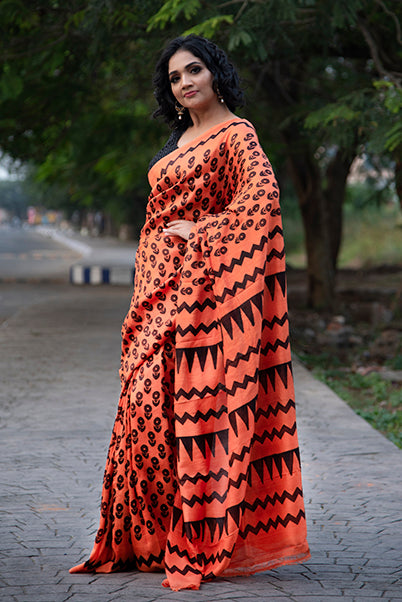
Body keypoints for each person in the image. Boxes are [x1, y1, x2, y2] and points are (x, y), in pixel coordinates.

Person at [70, 34, 310, 591]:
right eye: (176, 78)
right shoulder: (179, 141)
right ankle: (152, 538)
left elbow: (260, 203)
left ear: (216, 73)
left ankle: (194, 533)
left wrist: (203, 230)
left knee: (187, 412)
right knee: (142, 406)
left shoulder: (237, 135)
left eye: (194, 70)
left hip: (205, 298)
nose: (186, 82)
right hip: (156, 296)